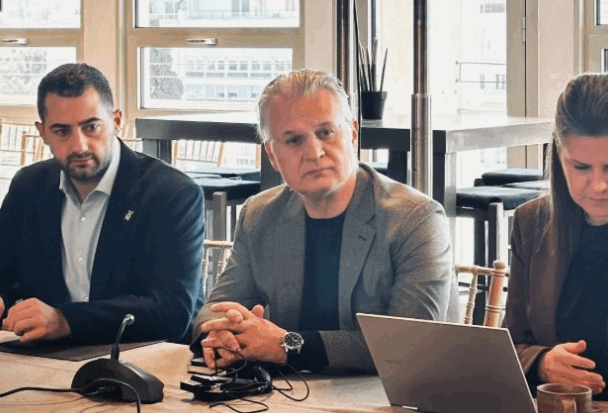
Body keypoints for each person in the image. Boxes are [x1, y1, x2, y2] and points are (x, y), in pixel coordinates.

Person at [191, 69, 459, 374]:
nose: (314, 152)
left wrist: (287, 346)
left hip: (392, 394)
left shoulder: (415, 219)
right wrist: (223, 334)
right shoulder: (260, 214)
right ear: (273, 155)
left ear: (353, 134)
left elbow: (409, 344)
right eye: (294, 140)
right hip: (290, 393)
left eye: (326, 132)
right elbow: (214, 310)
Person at [0, 63, 205, 344]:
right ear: (42, 132)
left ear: (116, 121)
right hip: (45, 356)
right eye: (62, 131)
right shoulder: (28, 186)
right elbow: (5, 274)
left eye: (91, 127)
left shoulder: (172, 194)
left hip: (143, 358)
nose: (79, 146)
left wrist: (66, 320)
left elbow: (172, 311)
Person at [504, 73, 608, 399]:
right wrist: (543, 362)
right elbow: (510, 345)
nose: (599, 186)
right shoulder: (531, 224)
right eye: (581, 167)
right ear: (560, 157)